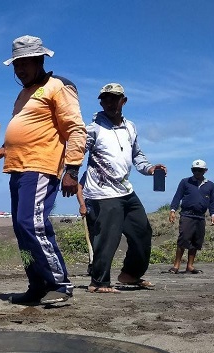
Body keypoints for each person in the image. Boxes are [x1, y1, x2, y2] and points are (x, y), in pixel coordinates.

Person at [0, 35, 86, 305]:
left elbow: (76, 130)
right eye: (17, 64)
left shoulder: (58, 86)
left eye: (26, 63)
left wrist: (72, 171)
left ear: (40, 60)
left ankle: (59, 283)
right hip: (18, 168)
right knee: (21, 227)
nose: (20, 70)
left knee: (33, 224)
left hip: (40, 167)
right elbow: (28, 130)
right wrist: (3, 150)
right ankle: (38, 285)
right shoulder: (22, 95)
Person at [82, 83, 166, 293]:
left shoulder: (131, 127)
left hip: (125, 189)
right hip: (102, 191)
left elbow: (137, 155)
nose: (110, 103)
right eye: (105, 99)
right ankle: (99, 282)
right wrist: (70, 176)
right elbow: (75, 152)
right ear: (101, 102)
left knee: (142, 232)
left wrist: (150, 169)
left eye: (114, 98)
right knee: (108, 237)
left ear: (123, 101)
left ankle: (130, 274)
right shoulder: (93, 129)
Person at [168, 159, 214, 274]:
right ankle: (176, 265)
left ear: (205, 171)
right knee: (183, 238)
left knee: (196, 241)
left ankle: (190, 266)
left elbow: (212, 202)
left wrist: (213, 214)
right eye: (194, 170)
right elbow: (177, 196)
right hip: (187, 215)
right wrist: (172, 210)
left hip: (200, 217)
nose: (197, 172)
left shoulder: (210, 185)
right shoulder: (185, 182)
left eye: (199, 170)